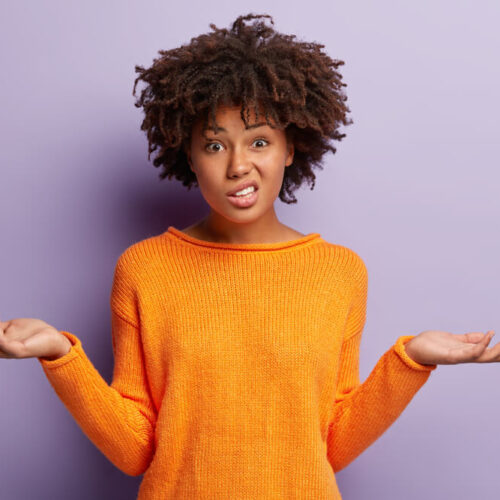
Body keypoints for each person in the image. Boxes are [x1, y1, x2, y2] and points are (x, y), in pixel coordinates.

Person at [0, 12, 497, 500]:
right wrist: (60, 356)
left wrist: (410, 362)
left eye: (259, 141)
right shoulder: (144, 269)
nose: (239, 166)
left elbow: (331, 444)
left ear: (289, 148)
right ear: (189, 154)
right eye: (214, 145)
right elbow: (137, 449)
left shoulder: (339, 272)